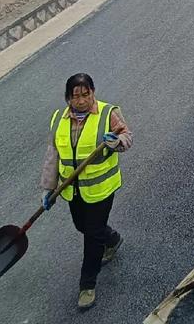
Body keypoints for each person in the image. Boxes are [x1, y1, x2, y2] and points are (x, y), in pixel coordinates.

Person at [40, 73, 132, 310]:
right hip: (73, 190)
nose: (81, 101)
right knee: (83, 226)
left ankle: (87, 285)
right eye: (75, 96)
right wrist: (49, 188)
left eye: (86, 94)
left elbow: (126, 137)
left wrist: (116, 142)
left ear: (93, 92)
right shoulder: (58, 120)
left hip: (101, 189)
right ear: (68, 98)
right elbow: (53, 155)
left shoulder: (107, 113)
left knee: (91, 235)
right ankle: (112, 239)